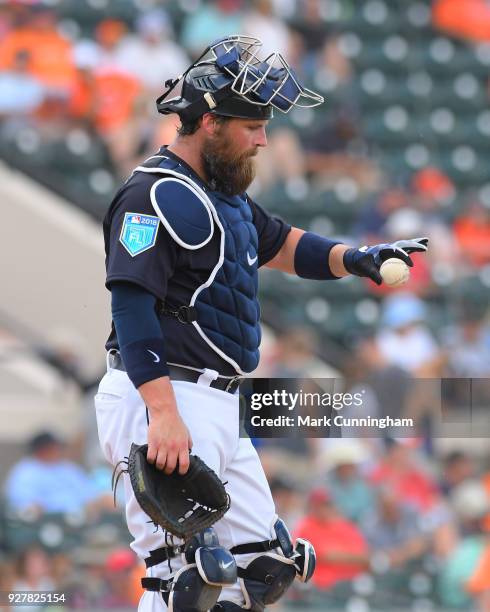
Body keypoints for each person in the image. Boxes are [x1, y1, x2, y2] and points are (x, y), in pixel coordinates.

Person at [95, 35, 428, 611]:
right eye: (251, 124)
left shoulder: (221, 194)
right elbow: (130, 306)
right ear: (208, 121)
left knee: (264, 567)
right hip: (165, 391)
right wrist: (162, 413)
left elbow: (278, 242)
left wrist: (358, 259)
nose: (264, 137)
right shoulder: (153, 194)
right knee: (184, 576)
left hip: (220, 398)